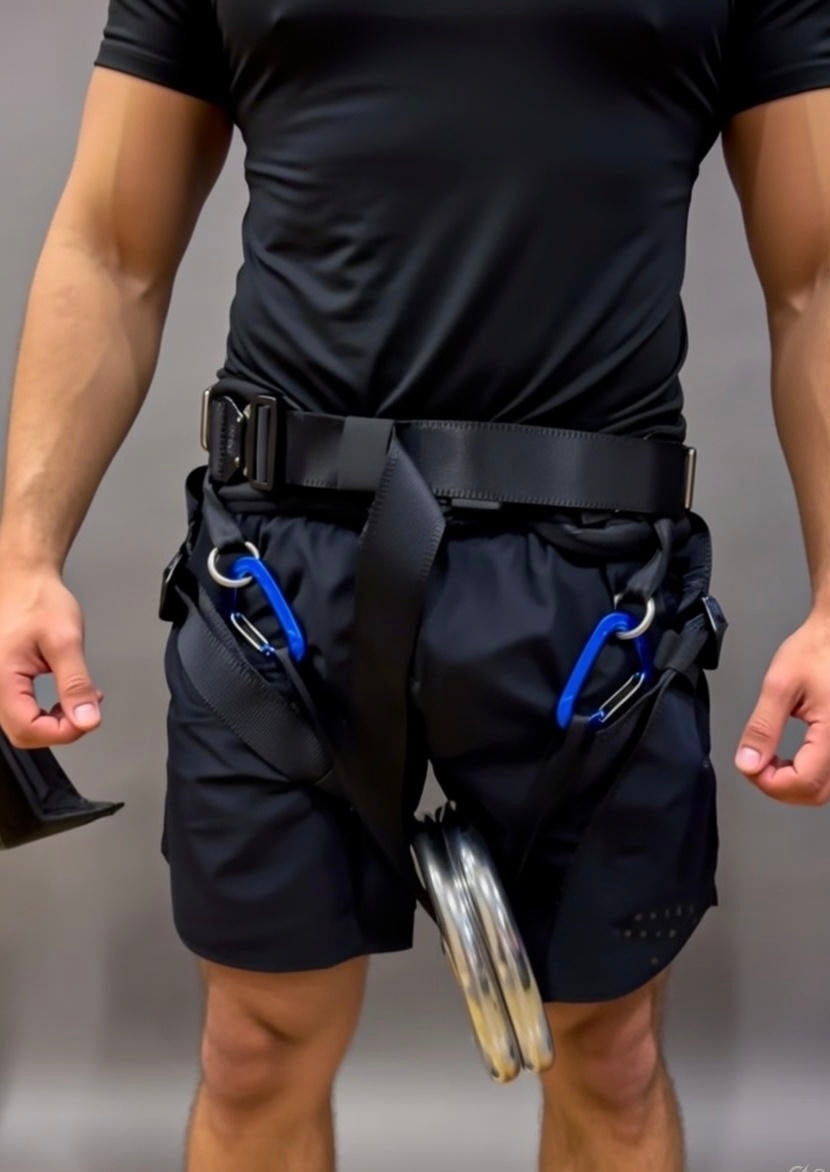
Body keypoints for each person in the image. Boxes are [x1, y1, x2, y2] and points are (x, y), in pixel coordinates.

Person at [2, 1, 830, 1169]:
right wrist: (23, 556)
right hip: (279, 589)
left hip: (595, 598)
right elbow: (111, 250)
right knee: (253, 1048)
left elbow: (815, 279)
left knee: (610, 1053)